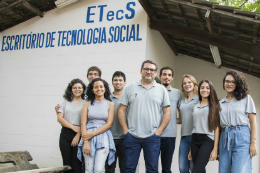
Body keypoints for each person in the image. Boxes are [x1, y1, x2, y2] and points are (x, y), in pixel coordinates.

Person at [118, 60, 171, 173]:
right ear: (141, 71)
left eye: (152, 70)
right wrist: (125, 130)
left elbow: (167, 111)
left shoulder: (161, 89)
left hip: (152, 136)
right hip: (132, 135)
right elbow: (122, 110)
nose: (149, 71)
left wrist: (159, 131)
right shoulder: (130, 88)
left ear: (155, 73)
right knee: (128, 169)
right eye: (146, 69)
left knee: (152, 170)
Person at [219, 70, 257, 173]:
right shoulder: (220, 103)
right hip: (224, 137)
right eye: (227, 81)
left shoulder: (246, 99)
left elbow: (253, 122)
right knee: (223, 170)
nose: (229, 84)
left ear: (238, 84)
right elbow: (217, 126)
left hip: (242, 136)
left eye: (233, 82)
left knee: (238, 170)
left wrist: (253, 142)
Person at [77, 78, 116, 173]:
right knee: (89, 169)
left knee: (99, 169)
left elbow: (109, 124)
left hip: (103, 136)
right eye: (96, 87)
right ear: (92, 90)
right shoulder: (87, 104)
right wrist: (85, 142)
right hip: (87, 136)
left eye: (101, 86)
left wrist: (93, 134)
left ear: (105, 88)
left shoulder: (110, 104)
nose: (99, 89)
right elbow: (83, 123)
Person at [188, 79, 220, 173]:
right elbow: (194, 126)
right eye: (202, 87)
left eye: (207, 88)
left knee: (196, 170)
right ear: (199, 90)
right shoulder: (196, 106)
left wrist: (215, 149)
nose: (204, 90)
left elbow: (217, 128)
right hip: (194, 139)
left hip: (207, 139)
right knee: (200, 170)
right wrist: (190, 149)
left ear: (211, 90)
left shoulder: (215, 106)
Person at [57, 78, 87, 173]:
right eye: (74, 88)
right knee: (66, 166)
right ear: (71, 89)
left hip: (80, 134)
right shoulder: (64, 101)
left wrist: (78, 135)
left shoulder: (86, 103)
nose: (77, 89)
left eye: (79, 87)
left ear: (83, 89)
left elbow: (86, 122)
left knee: (77, 165)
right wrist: (72, 127)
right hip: (65, 134)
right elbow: (60, 118)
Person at [158, 66, 182, 173]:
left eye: (169, 75)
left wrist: (171, 121)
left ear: (172, 78)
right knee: (151, 167)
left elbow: (181, 116)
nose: (166, 77)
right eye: (164, 74)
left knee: (166, 168)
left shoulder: (177, 93)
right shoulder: (154, 90)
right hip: (153, 134)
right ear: (160, 76)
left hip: (169, 136)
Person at [105, 71, 127, 173]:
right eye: (115, 80)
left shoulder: (129, 97)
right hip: (109, 138)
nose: (118, 82)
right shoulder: (106, 98)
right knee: (109, 169)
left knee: (124, 168)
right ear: (112, 82)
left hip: (125, 138)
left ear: (124, 82)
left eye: (120, 80)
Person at [178, 74, 199, 173]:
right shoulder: (182, 101)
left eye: (189, 82)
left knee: (193, 167)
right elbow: (181, 120)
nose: (187, 84)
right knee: (183, 168)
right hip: (184, 137)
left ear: (194, 84)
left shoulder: (199, 99)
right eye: (184, 83)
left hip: (195, 137)